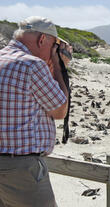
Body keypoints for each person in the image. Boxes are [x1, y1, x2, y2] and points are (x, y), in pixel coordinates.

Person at [0, 16, 71, 207]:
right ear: (42, 40)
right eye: (54, 44)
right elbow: (59, 110)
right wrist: (58, 65)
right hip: (21, 169)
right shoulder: (32, 65)